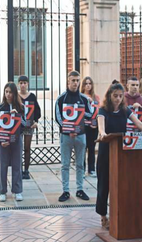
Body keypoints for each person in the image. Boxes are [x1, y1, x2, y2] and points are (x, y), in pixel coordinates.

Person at [96, 80, 142, 229]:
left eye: (121, 96)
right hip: (106, 152)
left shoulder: (125, 110)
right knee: (104, 184)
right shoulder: (103, 110)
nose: (118, 99)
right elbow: (101, 127)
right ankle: (103, 215)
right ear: (109, 96)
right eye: (115, 96)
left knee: (120, 184)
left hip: (121, 152)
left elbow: (139, 123)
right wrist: (102, 133)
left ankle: (119, 214)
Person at [55, 71, 92, 202]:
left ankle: (80, 189)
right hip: (66, 136)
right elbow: (58, 117)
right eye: (73, 80)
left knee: (80, 164)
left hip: (81, 135)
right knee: (65, 164)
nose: (76, 83)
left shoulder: (84, 99)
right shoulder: (61, 99)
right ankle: (65, 191)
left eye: (77, 80)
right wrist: (68, 129)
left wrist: (87, 108)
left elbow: (90, 115)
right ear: (68, 81)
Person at [0, 82, 25, 202]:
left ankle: (17, 191)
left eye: (10, 92)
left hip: (16, 141)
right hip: (3, 142)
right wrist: (0, 140)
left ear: (15, 93)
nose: (8, 94)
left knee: (17, 165)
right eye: (6, 92)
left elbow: (25, 125)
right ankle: (2, 191)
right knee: (3, 166)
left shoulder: (21, 107)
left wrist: (18, 116)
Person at [18, 75, 41, 180]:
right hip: (18, 127)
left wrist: (35, 121)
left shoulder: (32, 96)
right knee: (18, 148)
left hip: (29, 126)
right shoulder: (16, 96)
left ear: (27, 84)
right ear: (18, 84)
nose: (23, 85)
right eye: (21, 83)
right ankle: (18, 169)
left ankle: (26, 170)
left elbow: (37, 111)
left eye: (25, 83)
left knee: (27, 148)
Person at [80, 76, 100, 178]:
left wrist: (96, 123)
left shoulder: (96, 97)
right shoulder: (80, 97)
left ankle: (91, 169)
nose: (88, 85)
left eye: (90, 83)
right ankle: (82, 170)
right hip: (84, 126)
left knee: (92, 148)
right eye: (86, 83)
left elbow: (98, 111)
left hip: (94, 126)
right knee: (83, 148)